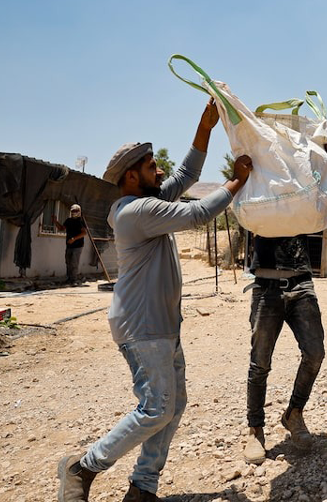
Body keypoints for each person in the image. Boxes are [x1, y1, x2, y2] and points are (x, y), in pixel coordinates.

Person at [57, 98, 253, 502]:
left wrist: (205, 128)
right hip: (142, 326)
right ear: (132, 176)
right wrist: (236, 182)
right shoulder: (137, 212)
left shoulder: (145, 202)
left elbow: (185, 174)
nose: (159, 170)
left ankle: (143, 487)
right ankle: (83, 466)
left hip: (161, 325)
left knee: (173, 405)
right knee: (155, 408)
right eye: (150, 167)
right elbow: (199, 212)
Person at [243, 141, 327, 465]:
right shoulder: (259, 188)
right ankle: (255, 430)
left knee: (315, 352)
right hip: (266, 286)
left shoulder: (303, 187)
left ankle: (293, 413)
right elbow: (241, 204)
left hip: (301, 282)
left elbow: (326, 203)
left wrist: (324, 162)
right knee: (260, 364)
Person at [53, 204, 87, 284]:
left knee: (74, 262)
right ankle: (69, 278)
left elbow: (84, 233)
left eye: (75, 211)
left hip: (78, 245)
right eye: (72, 211)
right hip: (69, 245)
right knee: (68, 262)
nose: (74, 212)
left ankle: (74, 279)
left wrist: (74, 239)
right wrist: (55, 221)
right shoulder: (68, 220)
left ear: (79, 211)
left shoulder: (80, 221)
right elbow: (61, 228)